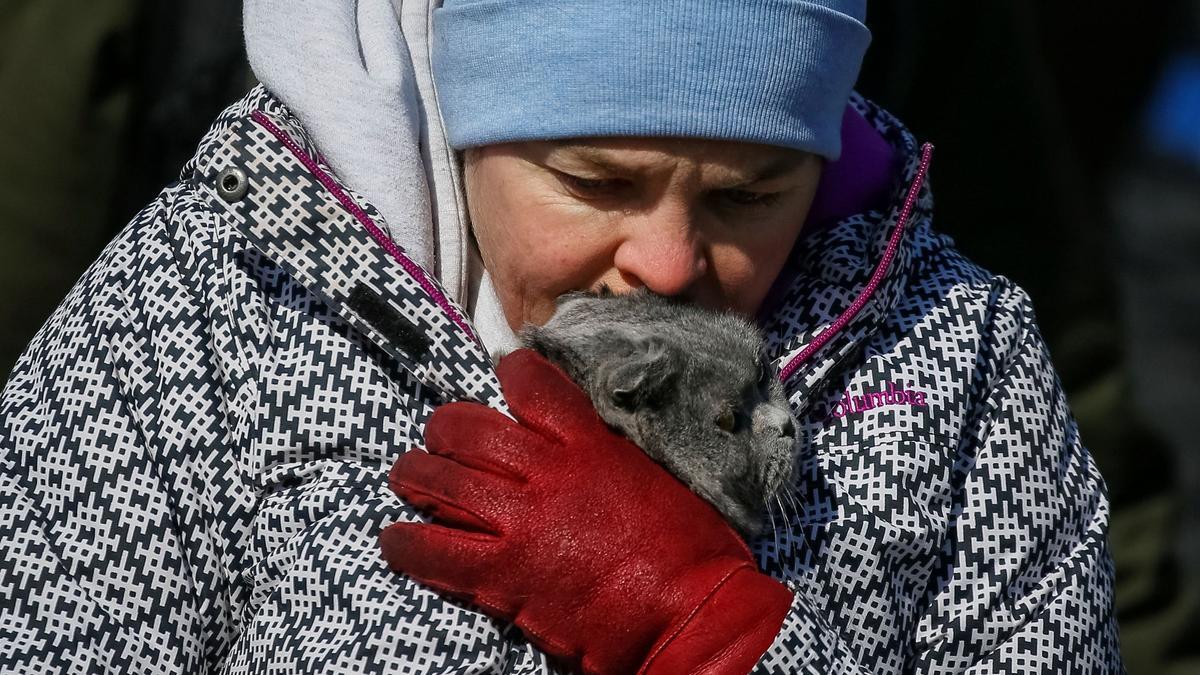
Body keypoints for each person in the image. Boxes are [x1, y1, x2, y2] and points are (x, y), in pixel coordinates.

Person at [0, 0, 1122, 673]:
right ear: (455, 120)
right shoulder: (216, 303)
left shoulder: (950, 361)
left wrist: (711, 638)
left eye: (751, 197)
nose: (671, 265)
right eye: (597, 181)